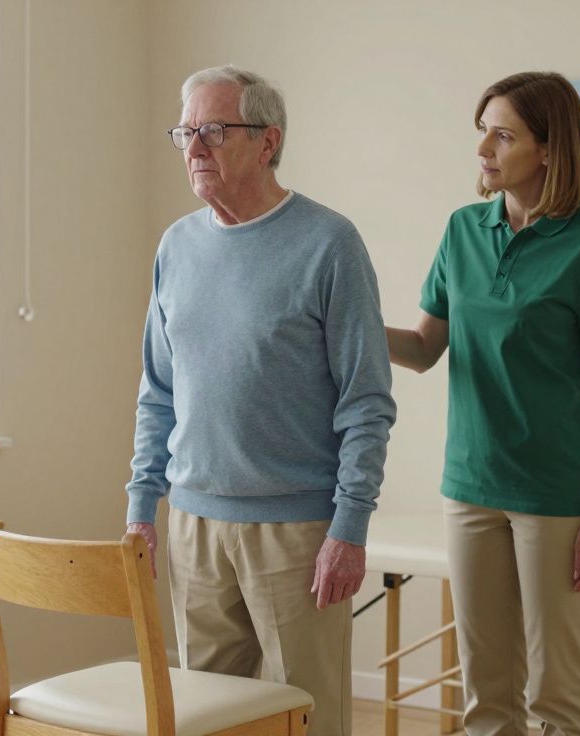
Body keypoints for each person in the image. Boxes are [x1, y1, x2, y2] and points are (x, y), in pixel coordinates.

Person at [124, 64, 396, 736]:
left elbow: (366, 400)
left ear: (267, 141)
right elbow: (158, 391)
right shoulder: (176, 246)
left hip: (299, 533)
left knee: (308, 718)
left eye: (213, 130)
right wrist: (141, 506)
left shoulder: (329, 243)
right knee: (205, 720)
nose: (194, 147)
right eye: (185, 132)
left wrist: (350, 527)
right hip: (193, 524)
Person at [385, 71, 580, 736]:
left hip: (555, 495)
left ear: (550, 150)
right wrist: (345, 326)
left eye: (503, 134)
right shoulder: (463, 230)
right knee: (485, 695)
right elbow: (424, 346)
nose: (484, 149)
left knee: (559, 696)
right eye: (482, 133)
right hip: (469, 486)